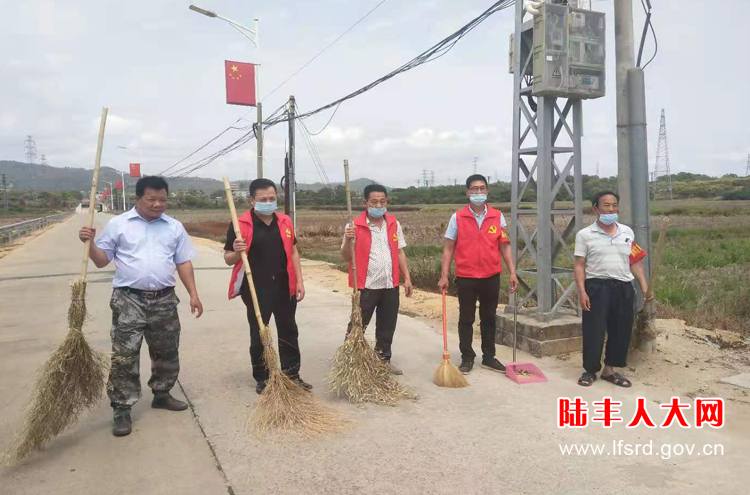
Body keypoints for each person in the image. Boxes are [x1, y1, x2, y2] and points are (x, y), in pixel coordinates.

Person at [78, 176, 203, 437]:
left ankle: (162, 392)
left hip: (164, 299)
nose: (158, 204)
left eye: (163, 200)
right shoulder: (118, 225)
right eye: (152, 199)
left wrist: (193, 293)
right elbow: (102, 261)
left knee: (166, 350)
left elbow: (183, 263)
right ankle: (122, 408)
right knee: (125, 355)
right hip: (128, 299)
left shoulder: (174, 227)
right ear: (137, 199)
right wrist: (89, 245)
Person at [224, 178, 310, 395]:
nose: (269, 202)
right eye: (263, 199)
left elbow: (293, 252)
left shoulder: (285, 221)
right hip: (255, 287)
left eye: (272, 198)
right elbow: (228, 259)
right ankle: (262, 377)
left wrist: (299, 281)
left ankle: (292, 374)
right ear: (252, 200)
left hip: (284, 285)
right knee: (260, 333)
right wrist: (236, 249)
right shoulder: (240, 224)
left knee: (289, 330)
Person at [438, 174, 518, 375]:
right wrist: (444, 275)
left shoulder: (497, 216)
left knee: (489, 317)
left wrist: (513, 272)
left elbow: (505, 247)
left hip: (491, 275)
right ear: (467, 192)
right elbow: (449, 248)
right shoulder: (457, 217)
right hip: (466, 276)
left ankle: (489, 356)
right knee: (466, 318)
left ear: (487, 191)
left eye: (482, 188)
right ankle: (467, 357)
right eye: (474, 189)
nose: (478, 192)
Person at [574, 191, 651, 388]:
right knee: (594, 330)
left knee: (621, 330)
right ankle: (590, 370)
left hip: (623, 287)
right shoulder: (585, 235)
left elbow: (634, 261)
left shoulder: (627, 232)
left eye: (614, 205)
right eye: (606, 205)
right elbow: (579, 265)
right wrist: (582, 292)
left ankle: (610, 370)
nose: (611, 209)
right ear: (596, 209)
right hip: (596, 287)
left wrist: (643, 285)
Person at [341, 184, 413, 374]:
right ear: (365, 203)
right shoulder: (353, 226)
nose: (379, 205)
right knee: (358, 323)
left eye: (382, 201)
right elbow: (346, 256)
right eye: (374, 202)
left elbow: (399, 251)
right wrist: (349, 240)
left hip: (390, 283)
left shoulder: (393, 223)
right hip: (367, 284)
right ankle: (350, 359)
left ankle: (383, 359)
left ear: (387, 202)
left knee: (387, 324)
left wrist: (407, 277)